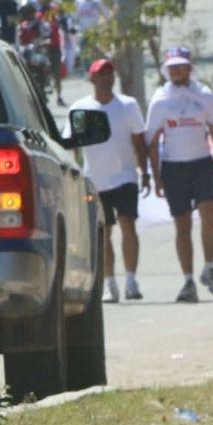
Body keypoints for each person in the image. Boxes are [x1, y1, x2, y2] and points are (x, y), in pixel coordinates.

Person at [145, 46, 213, 303]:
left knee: (209, 217)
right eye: (171, 67)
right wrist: (155, 176)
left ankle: (209, 268)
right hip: (174, 168)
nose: (176, 70)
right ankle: (188, 280)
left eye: (180, 66)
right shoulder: (160, 99)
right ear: (166, 70)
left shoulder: (204, 95)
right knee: (182, 225)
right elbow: (151, 140)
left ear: (189, 68)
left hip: (202, 164)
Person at [65, 59, 150, 303]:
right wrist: (75, 174)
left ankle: (131, 281)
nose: (105, 79)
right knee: (103, 233)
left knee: (128, 226)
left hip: (125, 177)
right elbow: (71, 144)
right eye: (100, 75)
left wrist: (144, 172)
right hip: (94, 180)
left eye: (109, 74)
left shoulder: (128, 105)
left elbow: (138, 141)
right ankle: (109, 284)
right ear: (91, 79)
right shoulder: (79, 109)